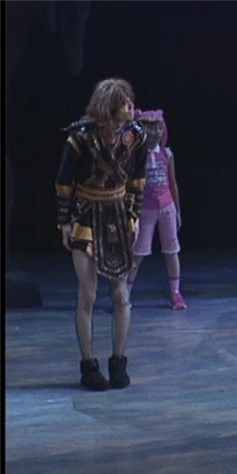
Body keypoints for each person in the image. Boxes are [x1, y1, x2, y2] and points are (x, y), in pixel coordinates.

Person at [55, 77, 147, 390]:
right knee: (89, 294)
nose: (131, 109)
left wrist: (134, 215)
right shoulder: (81, 138)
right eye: (125, 104)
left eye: (131, 103)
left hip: (119, 217)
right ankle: (88, 366)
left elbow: (137, 181)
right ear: (109, 108)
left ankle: (118, 362)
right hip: (86, 216)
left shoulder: (136, 137)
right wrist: (64, 222)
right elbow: (64, 183)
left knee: (121, 294)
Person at [126, 109, 186, 310]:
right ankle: (126, 293)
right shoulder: (136, 155)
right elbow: (131, 185)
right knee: (138, 252)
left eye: (158, 128)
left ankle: (175, 293)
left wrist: (177, 210)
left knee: (171, 250)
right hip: (146, 210)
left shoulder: (167, 154)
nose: (154, 132)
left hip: (167, 208)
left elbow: (173, 183)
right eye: (149, 128)